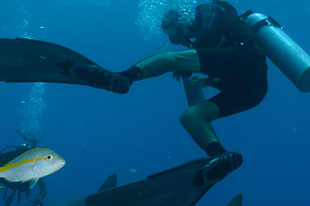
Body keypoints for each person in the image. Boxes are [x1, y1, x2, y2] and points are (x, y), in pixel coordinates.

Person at [88, 1, 266, 172]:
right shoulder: (204, 44)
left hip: (248, 57)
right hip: (251, 93)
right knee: (190, 116)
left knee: (170, 59)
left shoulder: (206, 9)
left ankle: (124, 77)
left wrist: (184, 61)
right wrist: (210, 81)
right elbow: (226, 67)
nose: (178, 39)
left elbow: (209, 34)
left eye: (175, 34)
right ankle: (220, 156)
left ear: (180, 22)